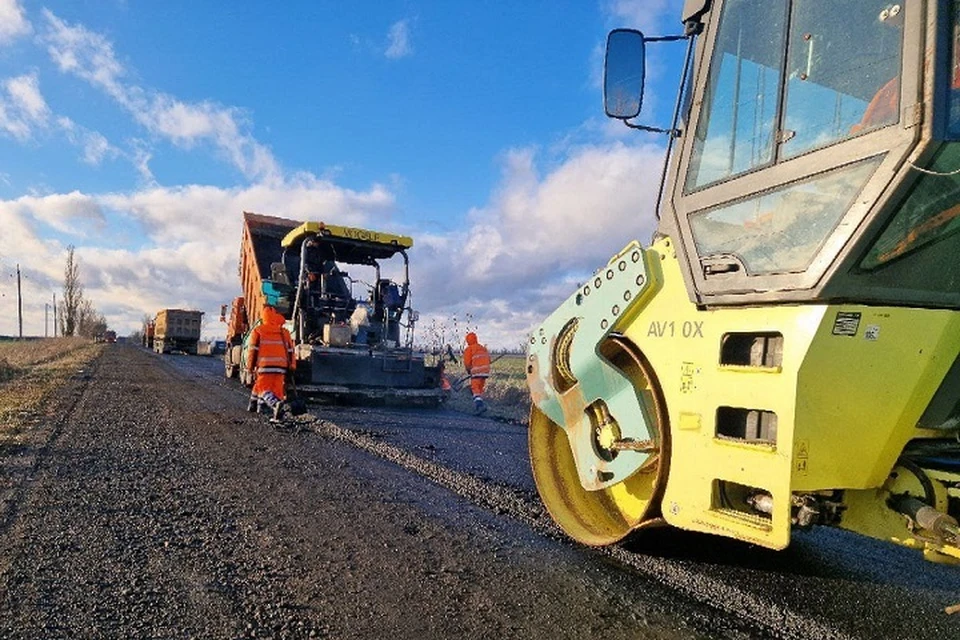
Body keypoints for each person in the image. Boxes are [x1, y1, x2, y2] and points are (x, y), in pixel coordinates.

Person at [246, 305, 296, 421]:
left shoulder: (258, 331)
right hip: (281, 367)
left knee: (263, 389)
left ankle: (274, 404)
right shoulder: (284, 332)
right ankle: (265, 409)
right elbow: (291, 351)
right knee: (276, 390)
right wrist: (292, 366)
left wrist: (250, 368)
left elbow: (252, 351)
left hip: (264, 366)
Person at [462, 332, 491, 415]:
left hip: (477, 372)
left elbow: (467, 363)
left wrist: (468, 371)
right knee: (480, 389)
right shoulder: (482, 348)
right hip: (485, 371)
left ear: (468, 340)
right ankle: (479, 407)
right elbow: (489, 360)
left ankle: (480, 406)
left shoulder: (469, 349)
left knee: (475, 388)